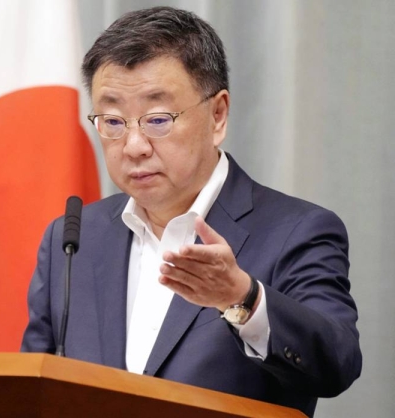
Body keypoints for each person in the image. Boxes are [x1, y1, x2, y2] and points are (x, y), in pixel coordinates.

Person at [21, 6, 361, 417]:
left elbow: (336, 364)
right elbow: (31, 388)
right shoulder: (72, 240)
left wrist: (243, 298)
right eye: (112, 121)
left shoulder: (297, 230)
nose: (133, 146)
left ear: (217, 115)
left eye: (158, 119)